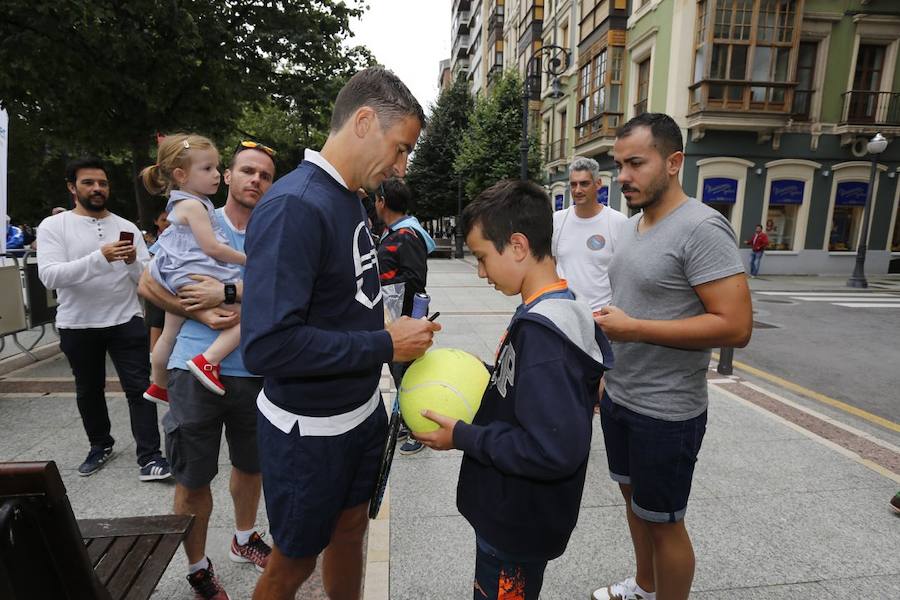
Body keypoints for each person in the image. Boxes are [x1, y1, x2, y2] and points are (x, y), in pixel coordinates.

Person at [241, 67, 440, 600]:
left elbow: (344, 300)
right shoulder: (294, 206)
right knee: (293, 564)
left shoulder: (348, 196)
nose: (401, 166)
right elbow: (266, 345)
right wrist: (385, 344)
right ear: (364, 121)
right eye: (400, 149)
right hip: (307, 432)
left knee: (352, 531)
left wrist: (389, 328)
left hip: (358, 415)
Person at [416, 179, 612, 600]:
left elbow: (551, 450)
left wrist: (462, 436)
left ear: (518, 246)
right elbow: (526, 386)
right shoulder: (550, 308)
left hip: (516, 524)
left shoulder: (545, 334)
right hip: (513, 515)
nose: (481, 272)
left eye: (484, 258)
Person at [592, 113, 752, 600]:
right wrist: (605, 375)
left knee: (665, 522)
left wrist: (635, 329)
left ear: (674, 162)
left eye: (636, 163)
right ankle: (644, 586)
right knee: (634, 504)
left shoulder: (702, 228)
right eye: (619, 165)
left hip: (667, 411)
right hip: (621, 397)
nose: (623, 177)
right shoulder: (634, 227)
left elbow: (735, 326)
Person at [138, 140, 277, 599]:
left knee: (250, 466)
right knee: (193, 479)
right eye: (247, 171)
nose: (255, 179)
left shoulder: (273, 232)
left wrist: (229, 294)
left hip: (254, 369)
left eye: (265, 175)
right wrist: (197, 310)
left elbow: (284, 293)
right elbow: (148, 281)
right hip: (192, 369)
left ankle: (243, 538)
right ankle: (198, 568)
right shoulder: (198, 217)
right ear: (229, 177)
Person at [37, 157, 170, 481]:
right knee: (89, 390)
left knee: (140, 388)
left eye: (103, 183)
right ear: (72, 187)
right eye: (88, 183)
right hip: (77, 323)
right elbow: (50, 276)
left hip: (125, 320)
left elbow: (145, 278)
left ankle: (150, 457)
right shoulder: (53, 227)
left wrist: (128, 263)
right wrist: (100, 258)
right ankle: (100, 445)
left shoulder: (124, 226)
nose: (97, 189)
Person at [141, 133, 246, 404]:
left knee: (169, 332)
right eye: (207, 168)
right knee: (250, 316)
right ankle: (208, 361)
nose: (215, 174)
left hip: (178, 277)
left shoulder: (178, 204)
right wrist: (247, 259)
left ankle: (158, 384)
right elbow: (212, 248)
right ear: (181, 174)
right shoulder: (195, 206)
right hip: (198, 275)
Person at [374, 177, 436, 455]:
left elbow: (415, 280)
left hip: (405, 320)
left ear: (382, 202)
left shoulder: (406, 236)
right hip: (393, 319)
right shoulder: (393, 232)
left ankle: (419, 429)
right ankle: (405, 420)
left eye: (375, 199)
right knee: (399, 375)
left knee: (409, 376)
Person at [552, 156, 628, 315]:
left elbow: (626, 274)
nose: (577, 190)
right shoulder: (557, 220)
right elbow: (551, 264)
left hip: (600, 316)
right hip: (564, 313)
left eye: (584, 183)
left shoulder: (617, 221)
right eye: (573, 184)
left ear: (598, 184)